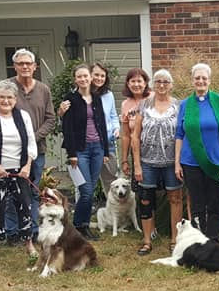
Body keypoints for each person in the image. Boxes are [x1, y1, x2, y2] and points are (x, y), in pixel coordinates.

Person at [0, 80, 38, 264]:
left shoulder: (23, 116)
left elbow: (31, 142)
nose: (6, 101)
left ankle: (28, 243)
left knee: (25, 205)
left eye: (10, 97)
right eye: (2, 97)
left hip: (20, 170)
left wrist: (27, 165)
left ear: (15, 99)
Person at [174, 63, 219, 240]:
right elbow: (179, 134)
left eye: (204, 78)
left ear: (209, 81)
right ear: (192, 81)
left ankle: (213, 240)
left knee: (214, 204)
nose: (200, 81)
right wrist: (177, 163)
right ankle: (198, 240)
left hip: (216, 162)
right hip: (191, 162)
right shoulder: (185, 104)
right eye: (197, 78)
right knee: (197, 205)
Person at [132, 69, 182, 255]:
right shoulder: (144, 105)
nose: (162, 85)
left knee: (175, 199)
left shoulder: (178, 105)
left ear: (171, 85)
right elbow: (135, 136)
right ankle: (146, 241)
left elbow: (181, 134)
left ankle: (175, 239)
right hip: (147, 161)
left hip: (171, 162)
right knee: (145, 199)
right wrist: (137, 164)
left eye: (166, 82)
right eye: (158, 81)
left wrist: (179, 161)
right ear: (153, 84)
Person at [7, 48, 55, 243]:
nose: (25, 66)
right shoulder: (6, 87)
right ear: (15, 66)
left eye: (28, 63)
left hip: (37, 150)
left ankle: (33, 230)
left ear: (35, 67)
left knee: (34, 191)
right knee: (11, 192)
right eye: (21, 63)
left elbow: (51, 119)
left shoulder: (43, 89)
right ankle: (11, 232)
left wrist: (33, 138)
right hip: (10, 151)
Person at [58, 64, 109, 240]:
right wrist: (71, 153)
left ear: (90, 77)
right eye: (79, 76)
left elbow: (102, 125)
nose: (83, 79)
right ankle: (79, 226)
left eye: (85, 76)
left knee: (91, 189)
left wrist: (106, 151)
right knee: (86, 191)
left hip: (98, 148)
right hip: (80, 150)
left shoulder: (96, 98)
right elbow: (67, 128)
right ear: (75, 79)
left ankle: (83, 226)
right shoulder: (70, 99)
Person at [91, 61, 121, 196]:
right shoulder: (80, 94)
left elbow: (113, 115)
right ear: (89, 75)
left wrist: (116, 128)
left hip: (108, 143)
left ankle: (114, 213)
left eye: (102, 76)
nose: (99, 78)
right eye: (96, 75)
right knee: (85, 183)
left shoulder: (108, 94)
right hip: (89, 144)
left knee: (112, 180)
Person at [119, 68, 151, 180]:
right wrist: (124, 160)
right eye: (133, 81)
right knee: (141, 187)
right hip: (136, 152)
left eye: (139, 81)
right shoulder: (125, 104)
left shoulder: (154, 98)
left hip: (156, 150)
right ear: (128, 84)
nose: (136, 84)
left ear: (145, 83)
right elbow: (126, 135)